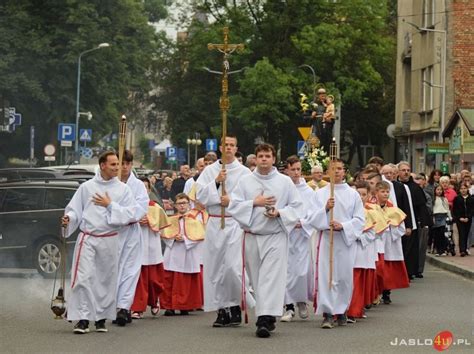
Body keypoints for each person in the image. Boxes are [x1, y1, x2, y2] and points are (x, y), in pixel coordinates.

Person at [228, 145, 303, 338]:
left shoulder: (285, 182)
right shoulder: (245, 181)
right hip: (253, 235)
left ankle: (264, 318)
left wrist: (279, 213)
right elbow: (234, 206)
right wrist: (255, 202)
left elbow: (297, 206)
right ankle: (267, 316)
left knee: (270, 278)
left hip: (275, 235)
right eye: (260, 156)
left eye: (267, 156)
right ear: (256, 159)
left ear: (273, 158)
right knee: (256, 279)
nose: (263, 159)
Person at [61, 151, 138, 334]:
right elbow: (75, 210)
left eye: (118, 164)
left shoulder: (123, 189)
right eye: (113, 164)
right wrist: (68, 218)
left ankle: (101, 318)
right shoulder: (87, 187)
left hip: (110, 239)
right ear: (102, 165)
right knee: (84, 278)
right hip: (88, 238)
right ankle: (83, 319)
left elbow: (130, 214)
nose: (117, 167)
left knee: (105, 280)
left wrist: (110, 205)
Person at [195, 135, 253, 327]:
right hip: (214, 222)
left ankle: (235, 304)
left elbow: (249, 200)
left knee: (232, 267)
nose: (228, 148)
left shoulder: (245, 173)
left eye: (232, 145)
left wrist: (232, 202)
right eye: (225, 145)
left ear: (236, 148)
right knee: (216, 267)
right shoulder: (210, 171)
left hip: (234, 223)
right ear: (220, 147)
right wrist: (217, 183)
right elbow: (200, 197)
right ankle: (222, 310)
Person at [306, 159, 365, 329]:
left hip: (345, 241)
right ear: (327, 172)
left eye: (340, 169)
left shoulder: (353, 194)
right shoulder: (320, 193)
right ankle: (328, 313)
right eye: (333, 169)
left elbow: (360, 219)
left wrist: (344, 226)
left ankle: (342, 310)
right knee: (327, 276)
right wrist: (324, 209)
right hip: (326, 239)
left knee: (344, 276)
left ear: (345, 171)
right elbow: (311, 218)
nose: (337, 172)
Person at [115, 150, 150, 326]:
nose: (125, 167)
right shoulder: (110, 184)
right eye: (122, 163)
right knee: (115, 271)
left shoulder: (137, 185)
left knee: (130, 270)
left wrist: (126, 214)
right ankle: (112, 306)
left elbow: (141, 206)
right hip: (113, 232)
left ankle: (124, 307)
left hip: (131, 232)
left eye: (128, 164)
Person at [280, 156, 314, 323]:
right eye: (292, 169)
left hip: (301, 236)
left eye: (298, 169)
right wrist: (288, 221)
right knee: (285, 271)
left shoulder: (308, 191)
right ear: (286, 170)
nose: (296, 173)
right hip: (285, 234)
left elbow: (314, 213)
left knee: (301, 272)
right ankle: (288, 307)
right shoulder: (282, 188)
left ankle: (301, 301)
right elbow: (279, 209)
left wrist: (304, 223)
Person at [131, 177, 170, 319]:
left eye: (145, 187)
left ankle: (154, 301)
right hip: (136, 245)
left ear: (148, 190)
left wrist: (150, 220)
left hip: (152, 246)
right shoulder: (130, 206)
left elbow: (162, 224)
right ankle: (137, 308)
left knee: (154, 280)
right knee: (138, 279)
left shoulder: (155, 206)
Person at [160, 193, 205, 315]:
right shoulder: (170, 219)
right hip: (173, 252)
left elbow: (199, 236)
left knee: (186, 281)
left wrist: (185, 239)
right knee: (170, 279)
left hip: (188, 252)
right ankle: (169, 306)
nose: (182, 206)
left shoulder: (195, 221)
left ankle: (185, 305)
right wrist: (173, 238)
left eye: (184, 203)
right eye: (179, 203)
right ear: (175, 205)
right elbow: (164, 234)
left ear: (188, 205)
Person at [347, 181, 378, 323]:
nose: (360, 197)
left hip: (361, 252)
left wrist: (358, 236)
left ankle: (354, 311)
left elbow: (373, 233)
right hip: (347, 251)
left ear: (369, 196)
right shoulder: (347, 210)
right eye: (358, 194)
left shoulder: (371, 213)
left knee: (358, 284)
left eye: (364, 194)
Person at [375, 181, 409, 305]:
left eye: (387, 191)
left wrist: (390, 228)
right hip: (377, 241)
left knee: (388, 269)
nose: (385, 194)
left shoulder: (394, 210)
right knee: (378, 268)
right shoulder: (372, 208)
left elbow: (402, 228)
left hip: (390, 242)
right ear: (376, 193)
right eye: (382, 191)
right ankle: (375, 292)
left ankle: (386, 292)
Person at [397, 162, 431, 280]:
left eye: (408, 170)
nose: (406, 172)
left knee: (412, 248)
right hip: (397, 222)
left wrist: (425, 222)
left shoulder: (415, 188)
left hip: (413, 222)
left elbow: (422, 206)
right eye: (403, 170)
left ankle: (410, 271)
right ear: (398, 172)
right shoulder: (394, 186)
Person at [452, 184, 474, 257]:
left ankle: (465, 248)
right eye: (461, 188)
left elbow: (472, 209)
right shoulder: (457, 198)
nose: (463, 190)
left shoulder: (471, 198)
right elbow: (455, 209)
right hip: (460, 219)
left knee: (467, 233)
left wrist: (468, 217)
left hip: (468, 219)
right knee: (461, 233)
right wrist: (459, 217)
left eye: (464, 188)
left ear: (467, 189)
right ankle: (462, 250)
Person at [432, 185, 451, 256]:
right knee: (437, 234)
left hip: (443, 216)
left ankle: (443, 250)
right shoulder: (433, 199)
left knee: (442, 233)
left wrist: (450, 217)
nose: (439, 191)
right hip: (436, 216)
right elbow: (432, 209)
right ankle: (438, 250)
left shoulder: (444, 199)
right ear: (435, 191)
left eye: (440, 190)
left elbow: (447, 208)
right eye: (438, 190)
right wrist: (432, 217)